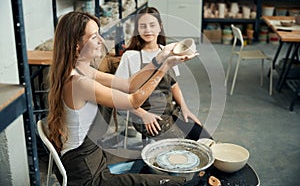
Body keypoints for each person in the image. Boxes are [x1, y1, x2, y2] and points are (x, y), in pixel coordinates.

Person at [47, 11, 199, 186]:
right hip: (88, 175)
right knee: (172, 182)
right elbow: (133, 100)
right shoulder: (79, 83)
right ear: (76, 46)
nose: (101, 41)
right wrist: (165, 66)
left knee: (150, 158)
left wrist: (161, 56)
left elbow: (129, 85)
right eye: (94, 37)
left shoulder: (84, 70)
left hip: (93, 156)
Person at [115, 7, 211, 140]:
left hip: (172, 111)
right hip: (146, 115)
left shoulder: (167, 51)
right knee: (183, 146)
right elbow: (118, 95)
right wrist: (143, 115)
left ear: (160, 27)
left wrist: (185, 109)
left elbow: (173, 84)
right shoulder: (131, 56)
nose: (148, 30)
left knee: (205, 140)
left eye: (152, 25)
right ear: (137, 30)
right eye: (143, 26)